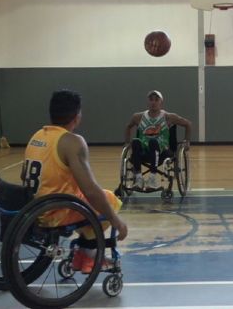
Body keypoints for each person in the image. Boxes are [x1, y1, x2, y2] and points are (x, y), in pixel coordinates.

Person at [23, 89, 128, 274]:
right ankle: (90, 255)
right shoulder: (72, 142)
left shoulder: (37, 136)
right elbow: (91, 191)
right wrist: (116, 220)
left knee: (87, 200)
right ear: (76, 116)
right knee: (109, 199)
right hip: (55, 212)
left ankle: (82, 254)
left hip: (32, 208)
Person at [124, 90, 192, 190]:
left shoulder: (168, 117)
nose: (153, 102)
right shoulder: (138, 117)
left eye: (156, 100)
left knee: (153, 142)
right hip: (145, 151)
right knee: (135, 141)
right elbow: (128, 127)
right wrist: (127, 142)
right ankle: (138, 179)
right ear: (148, 102)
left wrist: (187, 141)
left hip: (163, 152)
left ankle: (152, 179)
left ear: (161, 102)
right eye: (151, 100)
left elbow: (188, 124)